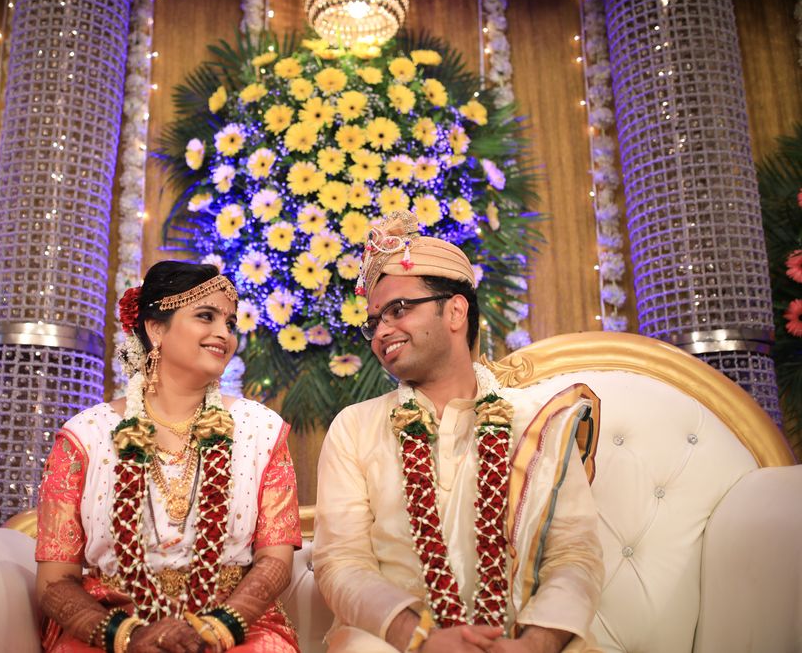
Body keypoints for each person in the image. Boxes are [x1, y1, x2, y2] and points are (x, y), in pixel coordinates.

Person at [313, 210, 604, 653]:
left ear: (455, 310)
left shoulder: (539, 421)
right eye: (374, 322)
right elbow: (341, 563)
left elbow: (574, 556)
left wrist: (533, 645)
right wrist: (420, 638)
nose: (381, 332)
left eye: (398, 310)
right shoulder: (355, 428)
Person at [35, 261, 302, 653]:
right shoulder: (85, 436)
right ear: (155, 327)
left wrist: (216, 628)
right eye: (206, 316)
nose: (223, 334)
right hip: (112, 629)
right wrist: (127, 636)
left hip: (234, 628)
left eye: (229, 323)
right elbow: (54, 582)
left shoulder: (260, 430)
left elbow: (275, 563)